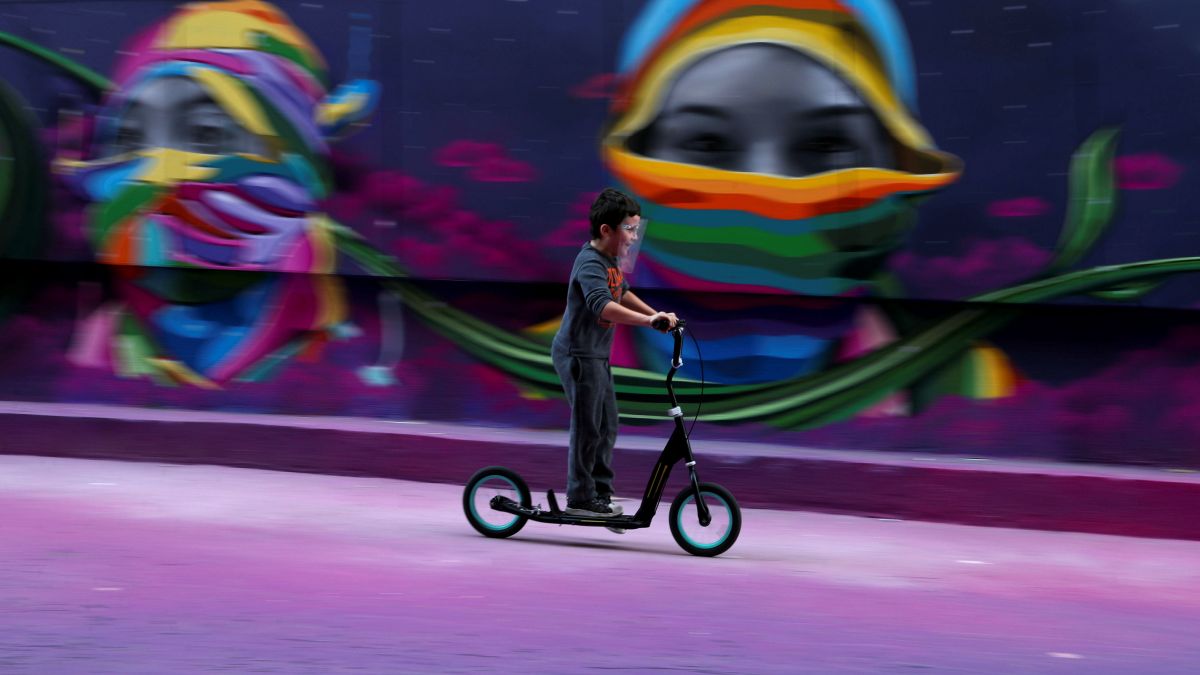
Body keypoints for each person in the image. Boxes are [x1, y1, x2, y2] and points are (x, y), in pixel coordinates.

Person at [552, 188, 678, 517]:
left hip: (596, 354)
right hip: (578, 354)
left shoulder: (609, 261)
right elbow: (604, 307)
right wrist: (649, 322)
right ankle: (581, 497)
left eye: (637, 228)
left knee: (608, 424)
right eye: (629, 229)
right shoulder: (589, 263)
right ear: (606, 230)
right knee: (587, 425)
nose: (635, 237)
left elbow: (620, 292)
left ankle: (600, 494)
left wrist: (657, 313)